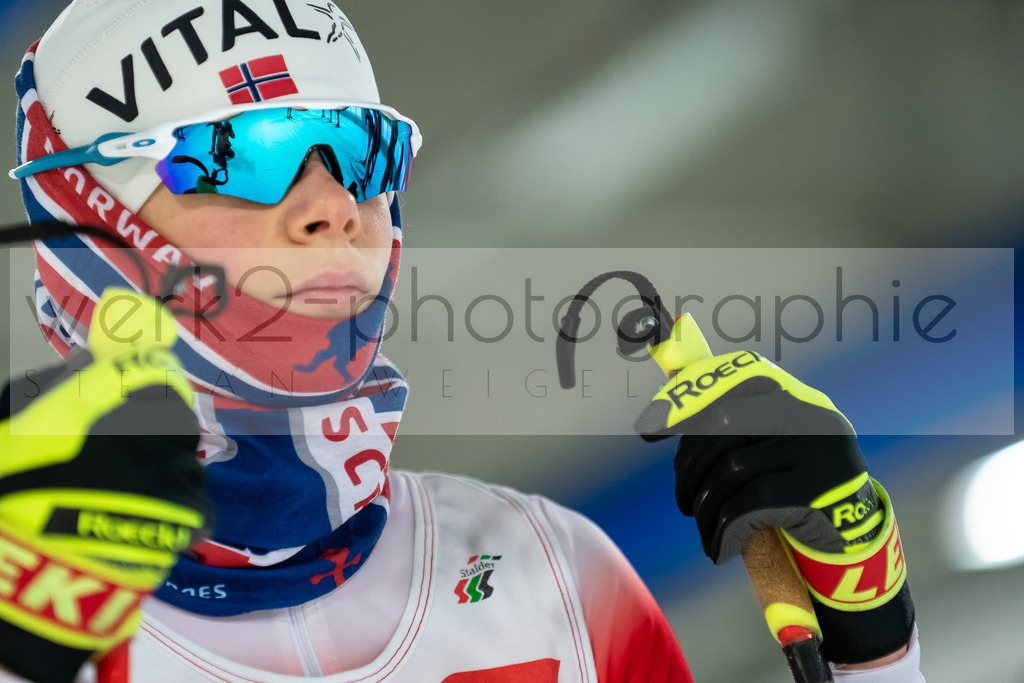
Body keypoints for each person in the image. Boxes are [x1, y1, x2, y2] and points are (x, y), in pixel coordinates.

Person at [0, 1, 923, 681]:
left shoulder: (553, 569)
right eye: (242, 155)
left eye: (361, 154)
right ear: (89, 234)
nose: (332, 207)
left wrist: (873, 640)